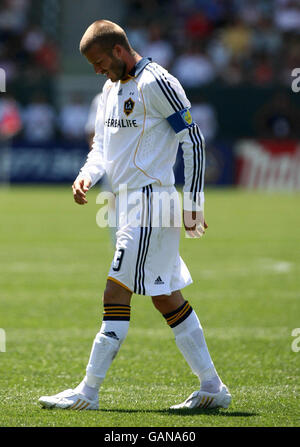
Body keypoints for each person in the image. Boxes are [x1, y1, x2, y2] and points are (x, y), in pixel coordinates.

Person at [39, 20, 231, 411]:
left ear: (119, 51)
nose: (97, 70)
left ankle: (87, 392)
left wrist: (194, 205)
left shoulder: (158, 82)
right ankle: (213, 388)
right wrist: (86, 176)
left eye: (99, 61)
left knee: (115, 291)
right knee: (165, 297)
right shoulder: (110, 87)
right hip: (124, 204)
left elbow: (192, 138)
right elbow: (102, 149)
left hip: (150, 202)